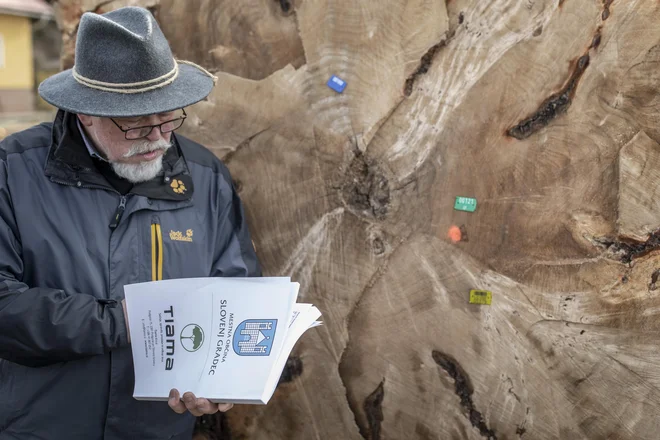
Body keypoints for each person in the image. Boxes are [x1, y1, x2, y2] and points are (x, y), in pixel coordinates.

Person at [0, 6, 261, 439]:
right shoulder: (12, 171)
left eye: (170, 119)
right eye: (138, 125)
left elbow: (235, 297)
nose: (159, 139)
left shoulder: (206, 176)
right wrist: (126, 320)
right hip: (39, 427)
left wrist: (221, 381)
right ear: (85, 112)